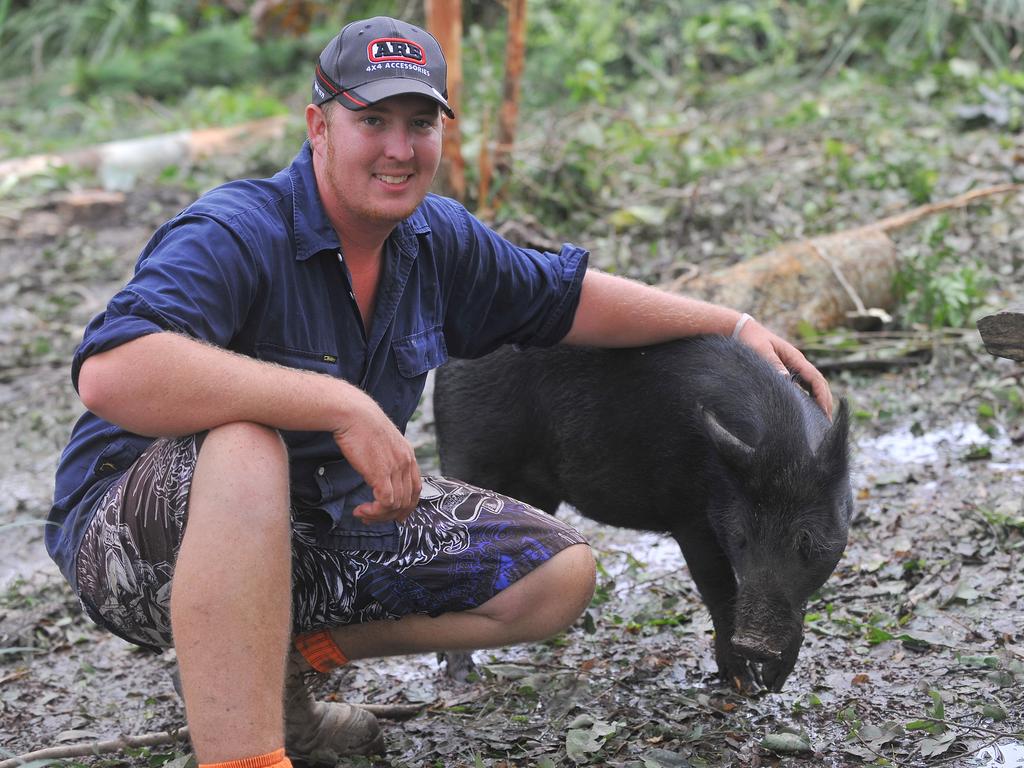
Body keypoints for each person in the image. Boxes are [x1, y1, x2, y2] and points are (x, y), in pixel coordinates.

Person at [47, 15, 833, 768]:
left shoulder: (434, 239)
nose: (399, 149)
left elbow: (568, 298)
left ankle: (279, 672)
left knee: (555, 575)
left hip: (311, 530)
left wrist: (734, 325)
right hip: (140, 547)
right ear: (318, 128)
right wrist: (335, 402)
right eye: (373, 121)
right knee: (247, 442)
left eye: (419, 124)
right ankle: (245, 757)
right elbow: (115, 371)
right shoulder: (237, 230)